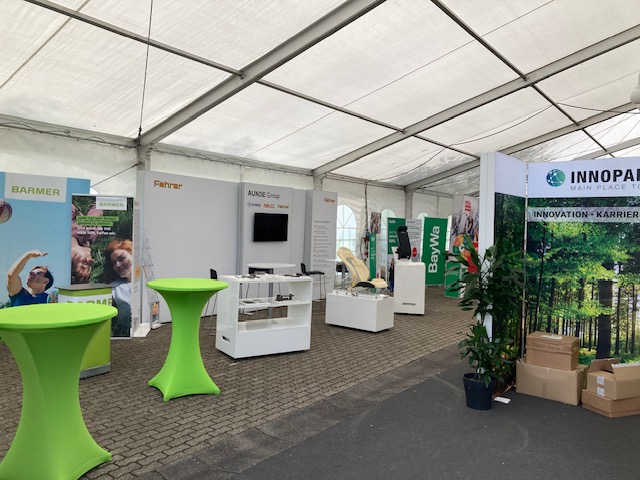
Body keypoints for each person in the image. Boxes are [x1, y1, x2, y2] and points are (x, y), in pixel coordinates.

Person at [103, 239, 132, 337]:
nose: (117, 265)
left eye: (122, 258)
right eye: (113, 263)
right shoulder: (115, 288)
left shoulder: (149, 281)